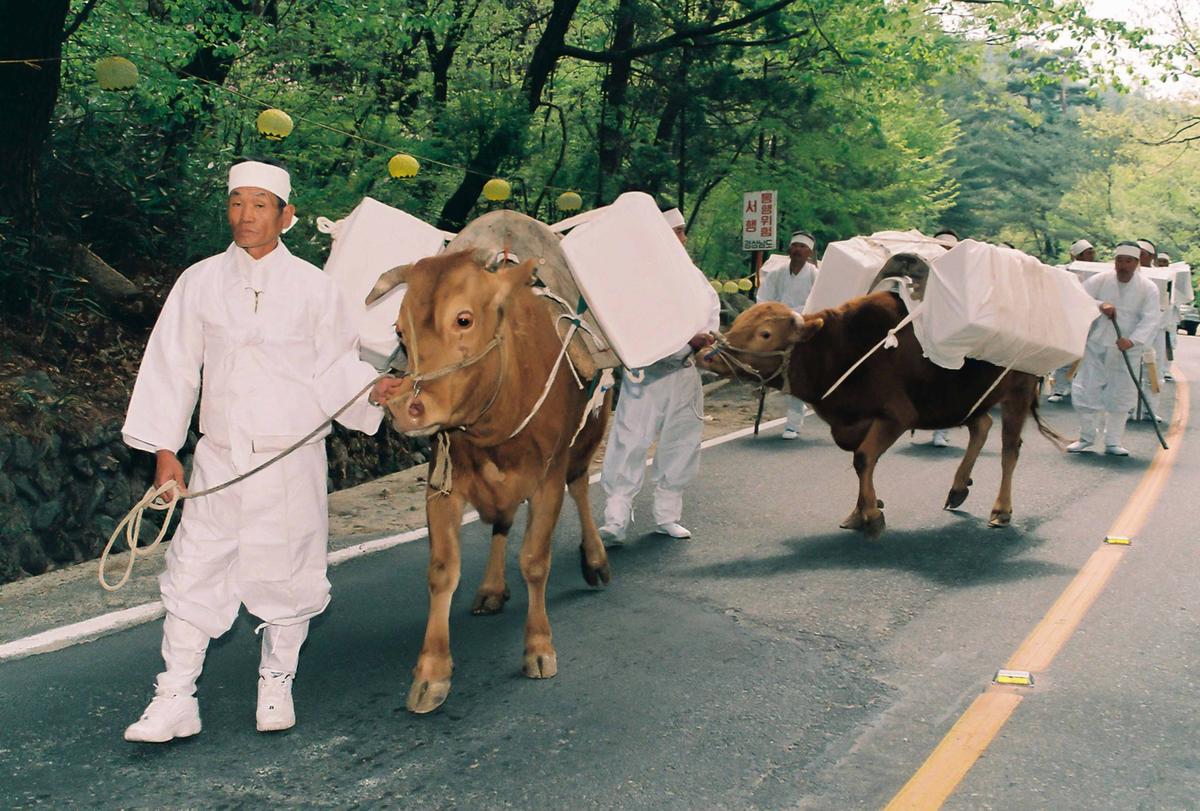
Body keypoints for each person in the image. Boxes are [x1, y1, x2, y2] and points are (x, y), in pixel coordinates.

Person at [121, 159, 406, 742]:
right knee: (194, 570)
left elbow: (335, 369)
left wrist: (370, 388)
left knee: (289, 572)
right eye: (236, 202)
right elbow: (173, 368)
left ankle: (276, 682)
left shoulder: (317, 290)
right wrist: (166, 452)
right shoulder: (197, 282)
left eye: (259, 204)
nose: (245, 215)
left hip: (289, 460)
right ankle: (175, 696)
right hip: (220, 458)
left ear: (286, 215)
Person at [598, 207, 721, 544]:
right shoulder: (637, 279)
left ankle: (667, 515)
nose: (681, 238)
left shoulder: (693, 276)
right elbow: (634, 323)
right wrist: (684, 340)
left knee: (682, 442)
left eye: (683, 232)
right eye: (675, 232)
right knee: (629, 441)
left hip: (684, 373)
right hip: (645, 374)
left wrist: (704, 338)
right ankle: (616, 519)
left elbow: (710, 311)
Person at [1068, 241, 1161, 456]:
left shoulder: (1148, 288)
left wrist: (1133, 340)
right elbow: (1079, 299)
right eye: (1119, 260)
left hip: (1127, 349)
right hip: (1097, 344)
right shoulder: (1100, 280)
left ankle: (1113, 441)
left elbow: (1151, 319)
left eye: (1128, 261)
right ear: (1114, 261)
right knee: (1087, 389)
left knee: (1120, 394)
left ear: (1137, 263)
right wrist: (1100, 305)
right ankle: (1086, 437)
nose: (1123, 265)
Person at [756, 230, 819, 440]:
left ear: (809, 252)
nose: (798, 250)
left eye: (802, 247)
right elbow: (763, 298)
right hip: (778, 326)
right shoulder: (777, 273)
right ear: (789, 249)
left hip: (803, 328)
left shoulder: (814, 275)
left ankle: (793, 423)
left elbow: (818, 302)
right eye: (795, 246)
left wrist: (799, 316)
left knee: (796, 372)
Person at [1048, 238, 1097, 403]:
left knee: (1090, 357)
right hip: (1068, 319)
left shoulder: (1099, 272)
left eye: (1092, 252)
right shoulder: (1064, 271)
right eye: (1087, 253)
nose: (1091, 255)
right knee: (1066, 355)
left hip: (1091, 320)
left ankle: (1083, 390)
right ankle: (1059, 389)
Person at [930, 228, 960, 446]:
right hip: (925, 329)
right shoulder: (922, 268)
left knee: (947, 381)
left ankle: (941, 430)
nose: (943, 251)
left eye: (948, 248)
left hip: (950, 332)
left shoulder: (961, 272)